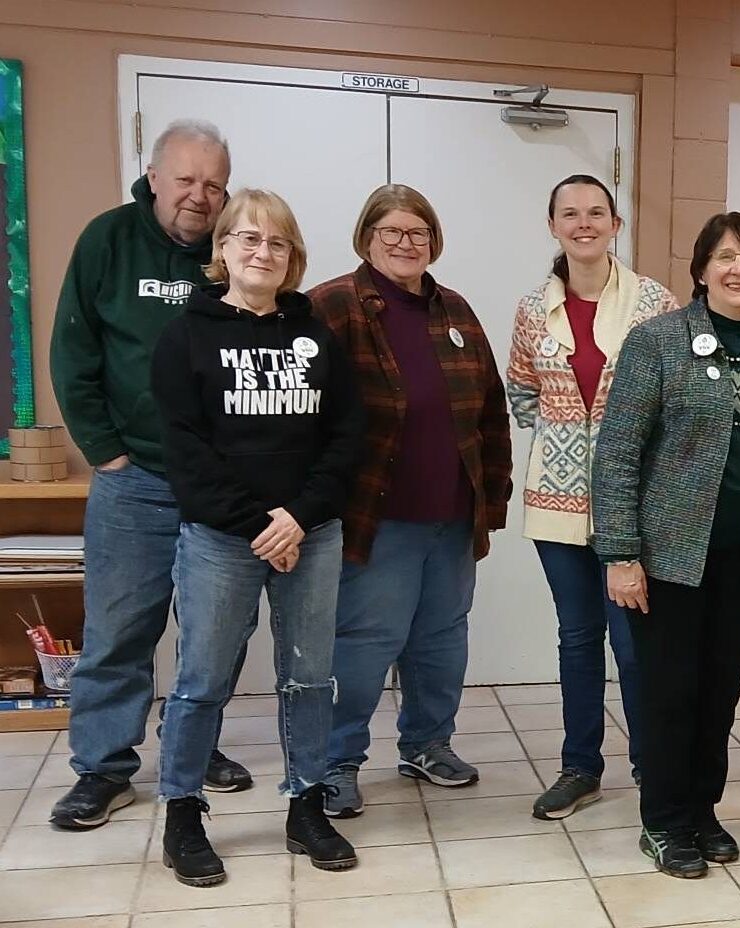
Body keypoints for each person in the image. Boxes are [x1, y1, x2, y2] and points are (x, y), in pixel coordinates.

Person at [149, 188, 366, 886]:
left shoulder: (316, 338)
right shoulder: (186, 337)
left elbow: (345, 439)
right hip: (222, 540)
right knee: (202, 680)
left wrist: (298, 518)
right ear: (222, 252)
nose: (261, 253)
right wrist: (261, 526)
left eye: (276, 243)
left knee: (308, 676)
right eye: (247, 239)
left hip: (311, 533)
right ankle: (183, 812)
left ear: (292, 257)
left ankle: (306, 804)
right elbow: (186, 453)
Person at [47, 119, 255, 831]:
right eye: (187, 180)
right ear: (155, 176)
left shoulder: (237, 250)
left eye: (214, 184)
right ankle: (102, 769)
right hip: (134, 479)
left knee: (217, 632)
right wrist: (106, 450)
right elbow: (72, 353)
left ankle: (196, 748)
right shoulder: (108, 240)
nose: (199, 197)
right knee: (119, 630)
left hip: (220, 485)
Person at [593, 212, 740, 878]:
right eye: (727, 255)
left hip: (737, 555)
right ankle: (663, 821)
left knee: (722, 690)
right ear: (702, 269)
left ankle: (703, 812)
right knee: (670, 692)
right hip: (668, 557)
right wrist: (621, 553)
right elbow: (617, 451)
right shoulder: (658, 342)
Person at [308, 185, 513, 817]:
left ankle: (428, 743)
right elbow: (306, 412)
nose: (405, 243)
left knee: (441, 640)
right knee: (365, 643)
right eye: (391, 232)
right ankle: (336, 762)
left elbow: (490, 410)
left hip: (451, 514)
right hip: (376, 516)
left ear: (434, 241)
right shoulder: (332, 305)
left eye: (417, 233)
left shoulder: (454, 310)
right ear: (367, 237)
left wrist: (493, 500)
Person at [505, 175, 677, 820]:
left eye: (596, 213)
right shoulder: (531, 309)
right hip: (556, 503)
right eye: (570, 213)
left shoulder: (653, 303)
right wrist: (566, 439)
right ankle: (581, 767)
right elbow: (522, 391)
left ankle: (650, 765)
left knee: (634, 644)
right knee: (578, 637)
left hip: (631, 506)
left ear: (616, 224)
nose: (584, 223)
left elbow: (672, 396)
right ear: (553, 225)